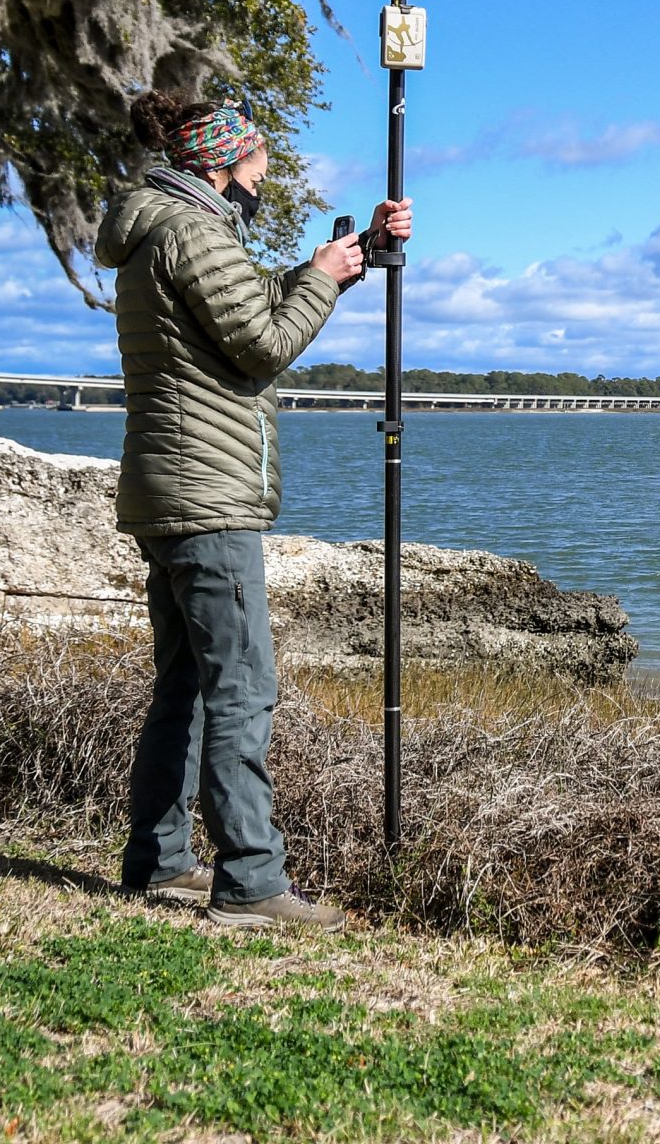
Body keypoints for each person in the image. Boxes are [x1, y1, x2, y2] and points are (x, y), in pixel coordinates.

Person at [94, 89, 411, 931]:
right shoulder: (192, 230)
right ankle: (251, 880)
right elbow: (263, 344)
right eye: (258, 172)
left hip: (168, 487)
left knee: (185, 685)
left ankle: (158, 862)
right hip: (208, 494)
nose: (261, 188)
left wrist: (345, 261)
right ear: (218, 167)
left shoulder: (166, 229)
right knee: (242, 685)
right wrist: (318, 279)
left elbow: (240, 309)